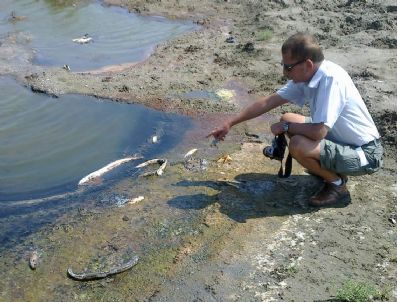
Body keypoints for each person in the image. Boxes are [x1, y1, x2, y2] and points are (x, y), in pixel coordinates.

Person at [207, 32, 383, 207]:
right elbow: (268, 102)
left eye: (288, 67)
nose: (284, 72)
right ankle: (330, 170)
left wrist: (285, 126)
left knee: (298, 144)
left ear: (307, 64)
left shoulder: (331, 80)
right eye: (283, 65)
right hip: (342, 141)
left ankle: (337, 186)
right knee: (288, 117)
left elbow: (318, 132)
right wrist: (229, 123)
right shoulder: (309, 76)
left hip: (365, 154)